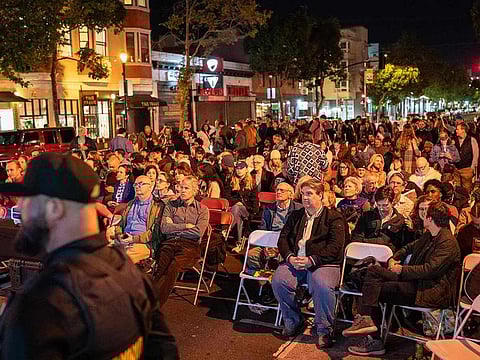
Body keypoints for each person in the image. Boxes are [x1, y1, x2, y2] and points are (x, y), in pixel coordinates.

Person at [0, 153, 178, 359]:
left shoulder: (38, 308)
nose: (19, 207)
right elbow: (165, 351)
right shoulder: (128, 271)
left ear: (55, 209)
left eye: (27, 200)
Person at [343, 201, 460, 357]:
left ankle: (374, 339)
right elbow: (409, 247)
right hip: (415, 282)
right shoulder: (431, 234)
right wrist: (394, 258)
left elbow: (429, 270)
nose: (422, 216)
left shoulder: (447, 242)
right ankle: (366, 319)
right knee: (373, 271)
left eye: (425, 213)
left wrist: (401, 269)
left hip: (429, 290)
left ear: (431, 219)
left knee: (377, 288)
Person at [272, 178, 346, 348]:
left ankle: (324, 329)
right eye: (303, 194)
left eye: (310, 194)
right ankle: (293, 320)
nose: (305, 198)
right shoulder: (296, 215)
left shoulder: (334, 218)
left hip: (324, 262)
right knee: (279, 281)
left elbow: (335, 247)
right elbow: (283, 239)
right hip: (296, 261)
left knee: (321, 284)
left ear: (320, 195)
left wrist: (311, 260)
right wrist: (290, 257)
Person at [154, 176, 209, 306]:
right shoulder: (170, 205)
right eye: (181, 187)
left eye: (186, 188)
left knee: (173, 267)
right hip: (170, 243)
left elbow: (198, 232)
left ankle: (154, 306)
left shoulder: (202, 210)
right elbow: (164, 228)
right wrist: (185, 226)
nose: (182, 191)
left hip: (190, 246)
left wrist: (173, 227)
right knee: (161, 268)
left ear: (194, 191)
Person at [351, 186, 413, 252]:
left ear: (393, 202)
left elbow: (397, 246)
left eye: (385, 205)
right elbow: (357, 237)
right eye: (379, 205)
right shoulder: (366, 216)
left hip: (386, 256)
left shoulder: (400, 220)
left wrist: (366, 241)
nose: (381, 208)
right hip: (364, 252)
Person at [454, 122, 479, 193]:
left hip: (467, 169)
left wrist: (472, 167)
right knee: (457, 189)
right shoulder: (454, 140)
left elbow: (475, 154)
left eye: (457, 129)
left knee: (467, 189)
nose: (456, 131)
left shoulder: (472, 140)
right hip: (456, 169)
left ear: (463, 130)